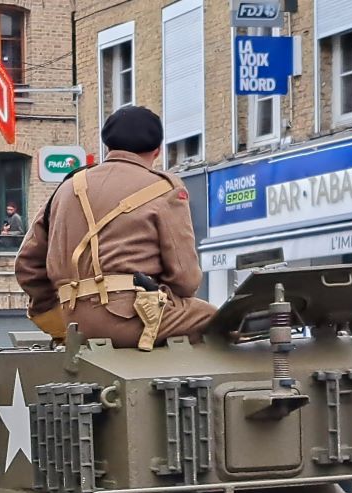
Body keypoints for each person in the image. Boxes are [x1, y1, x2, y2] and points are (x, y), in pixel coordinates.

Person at [15, 105, 214, 349]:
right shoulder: (166, 189)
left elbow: (27, 265)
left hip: (73, 322)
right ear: (157, 150)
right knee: (216, 320)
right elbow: (185, 278)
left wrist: (55, 316)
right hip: (134, 318)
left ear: (108, 146)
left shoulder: (67, 188)